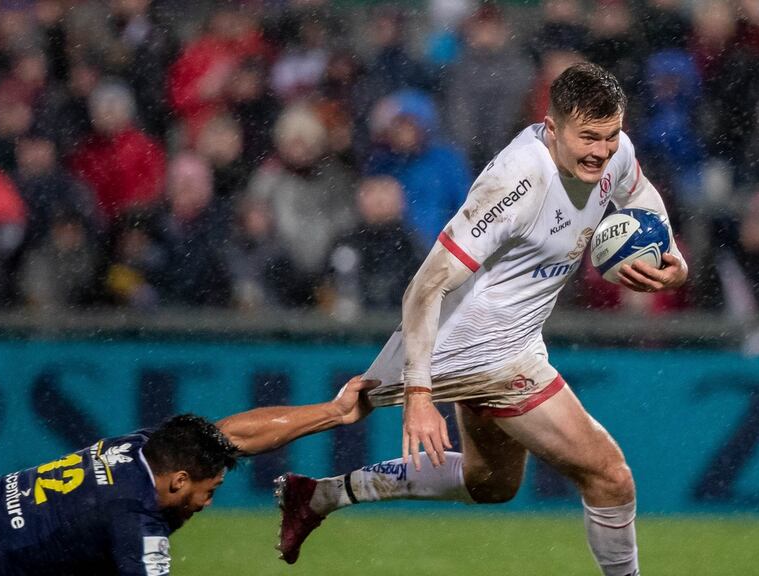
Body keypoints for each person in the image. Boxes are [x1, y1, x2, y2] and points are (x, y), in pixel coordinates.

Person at [276, 63, 688, 576]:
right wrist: (419, 396)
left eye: (610, 136)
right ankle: (186, 460)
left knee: (490, 484)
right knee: (610, 478)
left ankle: (317, 496)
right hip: (479, 347)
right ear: (552, 127)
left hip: (515, 339)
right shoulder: (517, 182)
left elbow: (638, 192)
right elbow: (425, 286)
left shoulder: (612, 151)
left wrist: (669, 254)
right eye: (588, 138)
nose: (601, 151)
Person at [0, 376, 376, 575]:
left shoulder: (136, 448)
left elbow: (229, 436)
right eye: (207, 492)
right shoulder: (135, 520)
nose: (207, 503)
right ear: (177, 482)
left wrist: (335, 412)